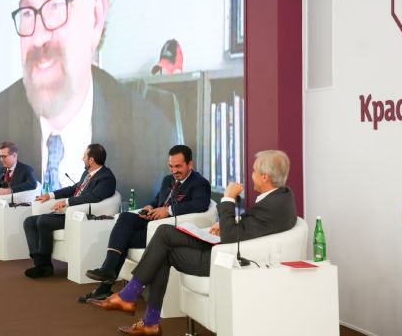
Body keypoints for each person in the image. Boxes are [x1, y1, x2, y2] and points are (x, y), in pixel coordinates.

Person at [0, 0, 182, 202]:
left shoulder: (153, 135)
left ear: (96, 13)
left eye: (56, 5)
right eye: (27, 12)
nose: (38, 37)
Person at [89, 150, 298, 335]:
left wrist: (228, 199)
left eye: (253, 170)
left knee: (163, 237)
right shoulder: (281, 198)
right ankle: (147, 318)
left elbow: (232, 236)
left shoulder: (271, 205)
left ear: (264, 176)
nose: (250, 174)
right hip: (222, 247)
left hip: (221, 258)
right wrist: (233, 221)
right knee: (162, 237)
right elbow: (256, 227)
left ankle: (133, 300)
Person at [79, 144, 211, 303]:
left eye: (178, 166)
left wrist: (168, 211)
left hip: (167, 231)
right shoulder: (167, 180)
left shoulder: (199, 183)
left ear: (190, 164)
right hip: (153, 222)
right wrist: (150, 207)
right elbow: (158, 201)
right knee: (125, 217)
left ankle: (104, 285)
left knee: (124, 237)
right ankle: (107, 273)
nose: (174, 171)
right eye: (171, 166)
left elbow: (200, 205)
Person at [23, 143, 116, 278]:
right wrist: (50, 195)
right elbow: (74, 189)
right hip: (69, 212)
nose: (81, 158)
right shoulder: (87, 173)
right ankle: (40, 263)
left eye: (84, 156)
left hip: (79, 215)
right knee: (29, 222)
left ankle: (44, 266)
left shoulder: (106, 177)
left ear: (91, 160)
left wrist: (67, 202)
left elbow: (94, 197)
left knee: (43, 221)